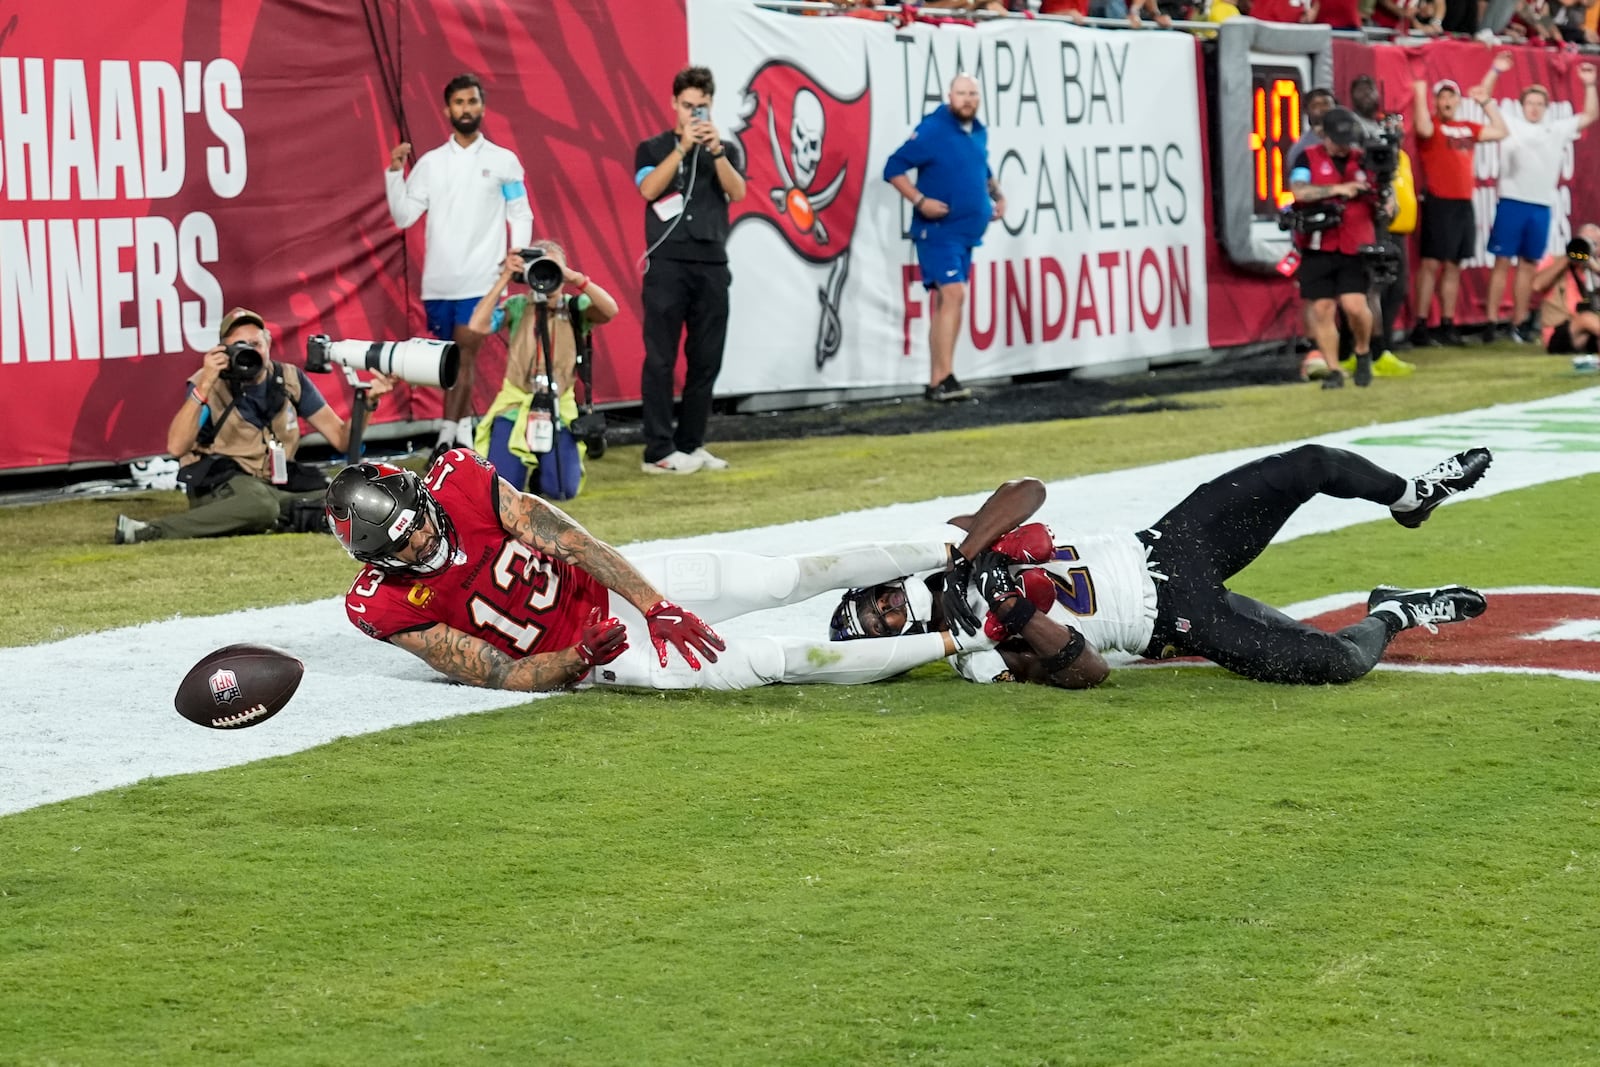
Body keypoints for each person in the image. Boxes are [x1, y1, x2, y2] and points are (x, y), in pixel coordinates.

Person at [325, 449, 994, 692]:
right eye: (402, 539)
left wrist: (653, 603)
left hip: (618, 591)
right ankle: (963, 638)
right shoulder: (379, 605)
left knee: (779, 579)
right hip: (598, 658)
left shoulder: (461, 479)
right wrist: (574, 659)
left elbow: (573, 542)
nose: (419, 533)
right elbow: (494, 671)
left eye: (416, 516)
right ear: (377, 557)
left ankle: (948, 551)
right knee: (767, 660)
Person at [828, 445, 1494, 688]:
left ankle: (1410, 497)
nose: (891, 607)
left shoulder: (951, 547)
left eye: (877, 600)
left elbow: (1029, 487)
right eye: (881, 621)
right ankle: (1394, 610)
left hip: (1169, 542)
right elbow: (1086, 672)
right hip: (1176, 617)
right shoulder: (976, 657)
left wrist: (976, 557)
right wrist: (1015, 613)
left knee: (1312, 464)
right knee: (1339, 663)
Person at [115, 308, 394, 544]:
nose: (251, 352)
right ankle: (149, 532)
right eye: (241, 346)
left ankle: (282, 514)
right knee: (260, 504)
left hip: (277, 483)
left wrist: (368, 402)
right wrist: (204, 386)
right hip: (223, 483)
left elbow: (343, 441)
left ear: (269, 343)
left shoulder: (289, 378)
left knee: (345, 495)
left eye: (256, 344)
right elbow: (176, 447)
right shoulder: (209, 382)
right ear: (223, 350)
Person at [386, 73, 534, 458]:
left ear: (482, 106)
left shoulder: (503, 161)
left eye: (472, 102)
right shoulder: (432, 164)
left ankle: (448, 439)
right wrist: (393, 173)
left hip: (483, 281)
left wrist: (516, 257)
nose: (466, 109)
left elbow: (520, 212)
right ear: (447, 110)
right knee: (450, 359)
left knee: (464, 356)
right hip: (439, 283)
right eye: (459, 103)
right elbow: (403, 216)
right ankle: (462, 435)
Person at [634, 66, 747, 476]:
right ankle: (658, 450)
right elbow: (648, 190)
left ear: (712, 105)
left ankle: (691, 442)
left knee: (706, 359)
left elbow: (738, 192)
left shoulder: (727, 150)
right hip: (667, 264)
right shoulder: (652, 148)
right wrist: (681, 149)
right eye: (687, 106)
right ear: (674, 104)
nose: (694, 114)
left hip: (713, 263)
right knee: (661, 358)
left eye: (701, 106)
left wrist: (715, 151)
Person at [884, 74, 1006, 404]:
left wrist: (997, 195)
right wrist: (920, 201)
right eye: (961, 93)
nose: (967, 99)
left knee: (948, 300)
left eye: (973, 94)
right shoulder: (934, 129)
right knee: (953, 293)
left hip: (965, 233)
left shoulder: (976, 130)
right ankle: (944, 376)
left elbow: (982, 167)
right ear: (949, 96)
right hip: (938, 232)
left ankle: (940, 379)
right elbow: (893, 167)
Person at [464, 243, 618, 500]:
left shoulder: (575, 307)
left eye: (553, 268)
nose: (547, 275)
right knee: (501, 490)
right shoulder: (518, 306)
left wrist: (576, 278)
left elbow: (610, 310)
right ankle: (527, 466)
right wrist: (505, 277)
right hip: (516, 405)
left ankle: (541, 473)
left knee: (561, 489)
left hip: (560, 407)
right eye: (541, 268)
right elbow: (477, 325)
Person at [1483, 63, 1599, 343]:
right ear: (1522, 105)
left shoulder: (1556, 129)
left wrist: (1588, 84)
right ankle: (1490, 322)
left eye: (1539, 103)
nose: (1534, 108)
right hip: (1512, 202)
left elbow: (1590, 115)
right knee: (1501, 263)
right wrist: (1496, 71)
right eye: (1530, 103)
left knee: (1527, 266)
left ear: (1546, 107)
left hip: (1540, 206)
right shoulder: (1511, 123)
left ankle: (1518, 323)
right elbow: (1483, 97)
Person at [1288, 107, 1392, 388]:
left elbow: (1385, 200)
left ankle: (1362, 351)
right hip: (1319, 243)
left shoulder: (1365, 160)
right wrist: (1338, 189)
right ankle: (1333, 369)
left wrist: (1386, 201)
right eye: (1338, 139)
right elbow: (1298, 190)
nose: (1344, 145)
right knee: (1321, 307)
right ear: (1325, 136)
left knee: (1355, 305)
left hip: (1354, 245)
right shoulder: (1306, 158)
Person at [1410, 60, 1510, 348]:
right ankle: (1420, 324)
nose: (1447, 101)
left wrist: (1486, 102)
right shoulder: (1432, 127)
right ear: (1436, 101)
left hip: (1463, 204)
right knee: (1431, 264)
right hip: (1439, 202)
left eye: (1451, 96)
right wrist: (1419, 91)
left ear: (1457, 100)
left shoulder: (1466, 127)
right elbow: (1422, 127)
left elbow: (1501, 131)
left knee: (1454, 265)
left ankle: (1447, 324)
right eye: (1442, 96)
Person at [1345, 74, 1416, 377]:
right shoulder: (1351, 130)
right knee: (1372, 288)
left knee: (1395, 287)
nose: (1366, 94)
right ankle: (1368, 349)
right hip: (1368, 220)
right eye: (1359, 89)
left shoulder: (1389, 137)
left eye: (1370, 88)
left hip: (1392, 222)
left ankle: (1382, 346)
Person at [1531, 222, 1600, 355]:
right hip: (1558, 332)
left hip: (1586, 332)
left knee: (1588, 319)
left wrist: (1595, 268)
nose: (1586, 247)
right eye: (1583, 241)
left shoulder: (1593, 266)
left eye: (1593, 244)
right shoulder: (1555, 260)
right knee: (1586, 318)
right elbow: (1536, 285)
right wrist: (1568, 258)